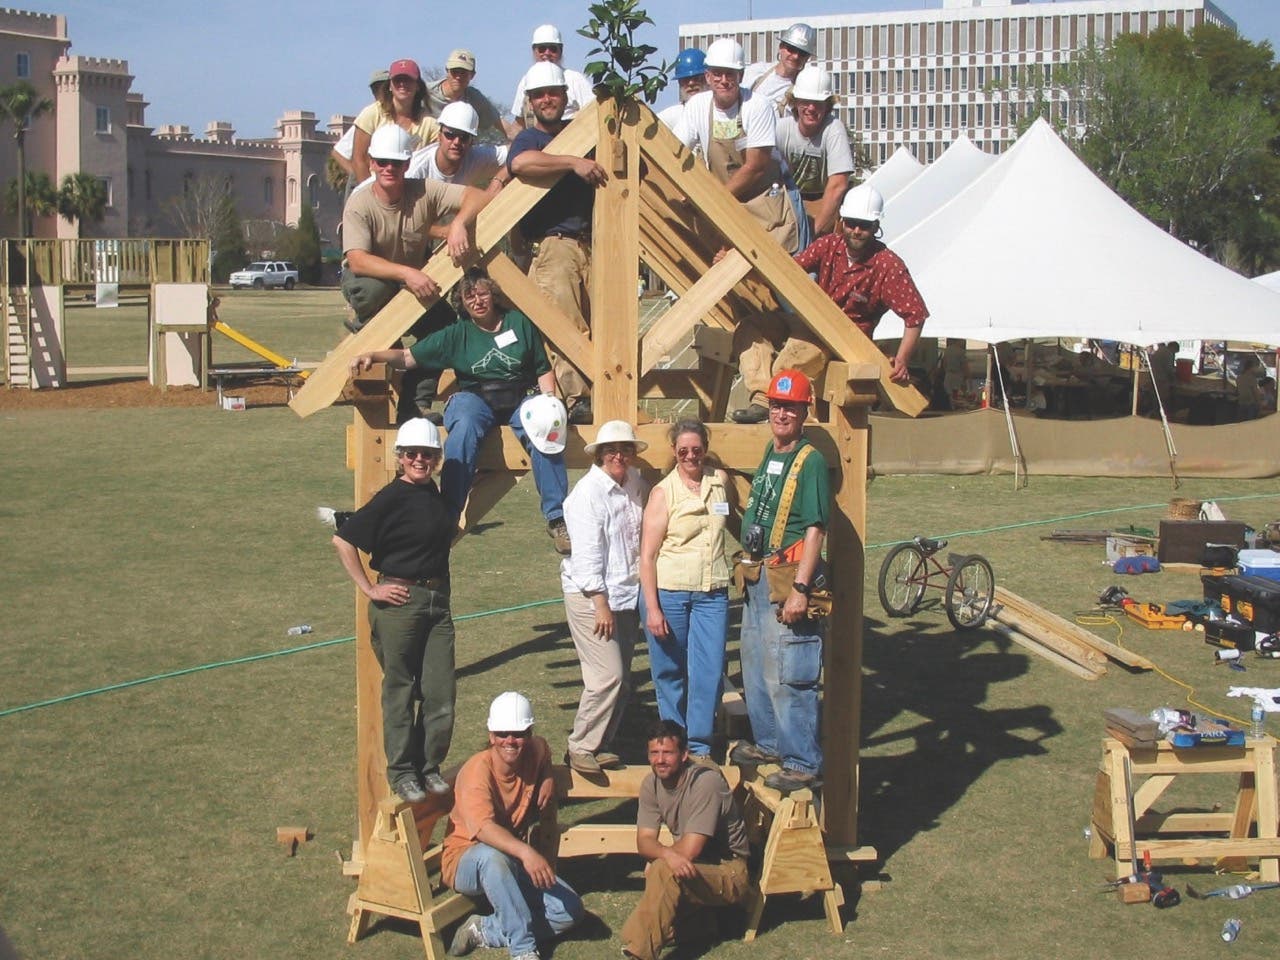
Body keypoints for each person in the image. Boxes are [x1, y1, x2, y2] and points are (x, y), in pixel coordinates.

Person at [348, 268, 572, 554]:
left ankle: (556, 518)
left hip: (519, 395)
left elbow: (542, 368)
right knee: (463, 424)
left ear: (493, 294)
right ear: (462, 303)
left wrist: (550, 400)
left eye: (482, 293)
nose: (477, 301)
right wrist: (374, 354)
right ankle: (449, 512)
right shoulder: (457, 333)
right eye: (469, 296)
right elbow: (407, 357)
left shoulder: (518, 323)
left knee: (546, 421)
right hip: (476, 396)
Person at [332, 418, 457, 804]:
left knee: (440, 692)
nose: (420, 460)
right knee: (400, 689)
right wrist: (371, 588)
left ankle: (428, 765)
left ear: (437, 459)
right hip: (401, 603)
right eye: (413, 454)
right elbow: (343, 539)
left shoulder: (435, 494)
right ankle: (403, 772)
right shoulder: (391, 497)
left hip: (438, 603)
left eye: (428, 454)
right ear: (400, 458)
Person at [729, 182, 928, 423]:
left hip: (843, 342)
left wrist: (902, 360)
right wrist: (737, 262)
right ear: (842, 221)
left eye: (864, 225)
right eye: (851, 223)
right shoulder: (829, 245)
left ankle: (782, 412)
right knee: (750, 327)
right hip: (810, 322)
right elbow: (788, 270)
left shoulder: (887, 265)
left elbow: (915, 316)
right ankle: (762, 396)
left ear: (876, 226)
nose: (856, 230)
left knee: (790, 360)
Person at [341, 123, 490, 422]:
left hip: (408, 284)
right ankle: (367, 326)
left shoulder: (424, 191)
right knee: (375, 291)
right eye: (382, 162)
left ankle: (415, 404)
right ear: (371, 163)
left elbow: (479, 196)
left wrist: (458, 224)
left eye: (395, 162)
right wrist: (408, 273)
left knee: (445, 328)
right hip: (370, 282)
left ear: (407, 164)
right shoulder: (359, 202)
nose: (388, 168)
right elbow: (357, 260)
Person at [731, 370, 829, 793]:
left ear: (804, 410)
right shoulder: (772, 455)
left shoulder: (810, 461)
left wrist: (802, 588)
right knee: (754, 665)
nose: (781, 413)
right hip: (758, 575)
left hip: (788, 578)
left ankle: (802, 761)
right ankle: (770, 744)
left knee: (789, 672)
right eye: (776, 405)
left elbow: (815, 528)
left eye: (789, 406)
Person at [445, 692, 584, 960]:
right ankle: (523, 950)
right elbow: (484, 829)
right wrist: (527, 853)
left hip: (510, 859)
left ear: (528, 734)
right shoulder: (477, 772)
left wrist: (546, 776)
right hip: (467, 860)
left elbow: (544, 748)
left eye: (518, 733)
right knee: (491, 857)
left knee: (570, 910)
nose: (510, 740)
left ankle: (484, 929)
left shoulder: (534, 751)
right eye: (502, 733)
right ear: (491, 736)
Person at [509, 60, 608, 426]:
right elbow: (519, 164)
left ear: (566, 95)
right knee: (565, 324)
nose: (547, 100)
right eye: (540, 95)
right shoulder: (530, 139)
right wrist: (572, 163)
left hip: (590, 243)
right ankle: (577, 399)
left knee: (601, 324)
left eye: (553, 92)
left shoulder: (582, 132)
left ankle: (601, 396)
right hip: (554, 244)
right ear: (530, 102)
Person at [619, 720, 752, 960]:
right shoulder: (651, 783)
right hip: (696, 867)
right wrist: (664, 854)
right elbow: (644, 842)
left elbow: (690, 850)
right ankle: (705, 924)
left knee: (663, 869)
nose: (660, 760)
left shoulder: (705, 782)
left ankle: (640, 953)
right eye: (654, 753)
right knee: (661, 868)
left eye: (668, 753)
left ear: (683, 755)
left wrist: (663, 856)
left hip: (729, 869)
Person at [638, 420, 731, 763]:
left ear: (705, 449)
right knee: (670, 671)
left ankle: (701, 745)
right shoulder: (663, 493)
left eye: (696, 450)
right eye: (683, 451)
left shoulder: (719, 482)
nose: (690, 456)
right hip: (671, 592)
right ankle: (673, 742)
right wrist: (653, 608)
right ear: (675, 454)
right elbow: (647, 556)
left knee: (708, 670)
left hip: (712, 591)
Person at [560, 421, 648, 774]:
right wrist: (600, 603)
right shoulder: (587, 494)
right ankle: (580, 744)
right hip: (592, 594)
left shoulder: (635, 483)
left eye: (625, 449)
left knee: (622, 677)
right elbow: (587, 555)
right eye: (611, 450)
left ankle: (602, 743)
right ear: (599, 455)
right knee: (607, 675)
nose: (618, 455)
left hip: (626, 592)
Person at [673, 38, 798, 256]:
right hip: (724, 207)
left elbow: (756, 167)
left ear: (740, 76)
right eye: (717, 74)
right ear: (708, 76)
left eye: (730, 74)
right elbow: (674, 151)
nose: (724, 80)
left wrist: (712, 200)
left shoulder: (757, 107)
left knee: (770, 275)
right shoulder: (697, 107)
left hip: (763, 207)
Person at [775, 66, 853, 238]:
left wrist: (812, 235)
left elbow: (838, 185)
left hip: (824, 203)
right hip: (788, 202)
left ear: (827, 106)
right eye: (805, 101)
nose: (811, 108)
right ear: (795, 102)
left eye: (817, 103)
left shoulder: (833, 130)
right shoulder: (781, 128)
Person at [351, 58, 441, 184]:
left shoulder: (430, 123)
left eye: (408, 80)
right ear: (390, 85)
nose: (402, 84)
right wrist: (370, 194)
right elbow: (358, 159)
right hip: (374, 189)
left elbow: (438, 162)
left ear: (418, 86)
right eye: (398, 80)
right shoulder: (371, 114)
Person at [507, 24, 596, 134]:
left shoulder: (575, 79)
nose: (547, 53)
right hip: (537, 145)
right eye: (542, 49)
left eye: (553, 49)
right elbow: (519, 124)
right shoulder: (525, 81)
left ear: (561, 51)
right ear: (534, 51)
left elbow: (594, 112)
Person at [408, 102, 510, 194]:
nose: (457, 142)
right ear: (439, 136)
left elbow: (515, 150)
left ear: (472, 142)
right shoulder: (415, 170)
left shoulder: (475, 157)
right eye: (450, 135)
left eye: (464, 137)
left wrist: (500, 178)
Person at [425, 49, 506, 141]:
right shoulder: (425, 93)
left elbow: (504, 127)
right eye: (455, 71)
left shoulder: (475, 98)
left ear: (472, 75)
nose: (458, 77)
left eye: (463, 73)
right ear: (447, 71)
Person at [741, 22, 816, 114]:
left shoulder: (806, 87)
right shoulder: (756, 71)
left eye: (802, 53)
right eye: (791, 49)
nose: (796, 56)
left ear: (807, 58)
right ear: (781, 48)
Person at [658, 48, 707, 129]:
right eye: (685, 79)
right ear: (679, 82)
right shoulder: (671, 116)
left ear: (708, 78)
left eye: (696, 78)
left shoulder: (722, 113)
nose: (691, 83)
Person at [1236, 354, 1264, 421]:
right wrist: (1260, 404)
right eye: (1256, 367)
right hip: (1251, 404)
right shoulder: (1252, 378)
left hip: (1241, 403)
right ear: (1251, 367)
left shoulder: (1239, 378)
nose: (1257, 369)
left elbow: (1238, 391)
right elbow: (1255, 392)